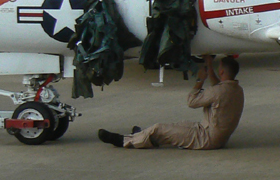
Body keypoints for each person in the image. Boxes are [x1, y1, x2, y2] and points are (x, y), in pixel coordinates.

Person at [99, 55, 244, 149]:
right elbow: (217, 85)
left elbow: (191, 102)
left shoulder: (218, 92)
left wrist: (199, 80)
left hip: (205, 139)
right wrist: (209, 65)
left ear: (223, 72)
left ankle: (124, 141)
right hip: (215, 136)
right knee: (175, 126)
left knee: (159, 128)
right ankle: (142, 135)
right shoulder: (237, 90)